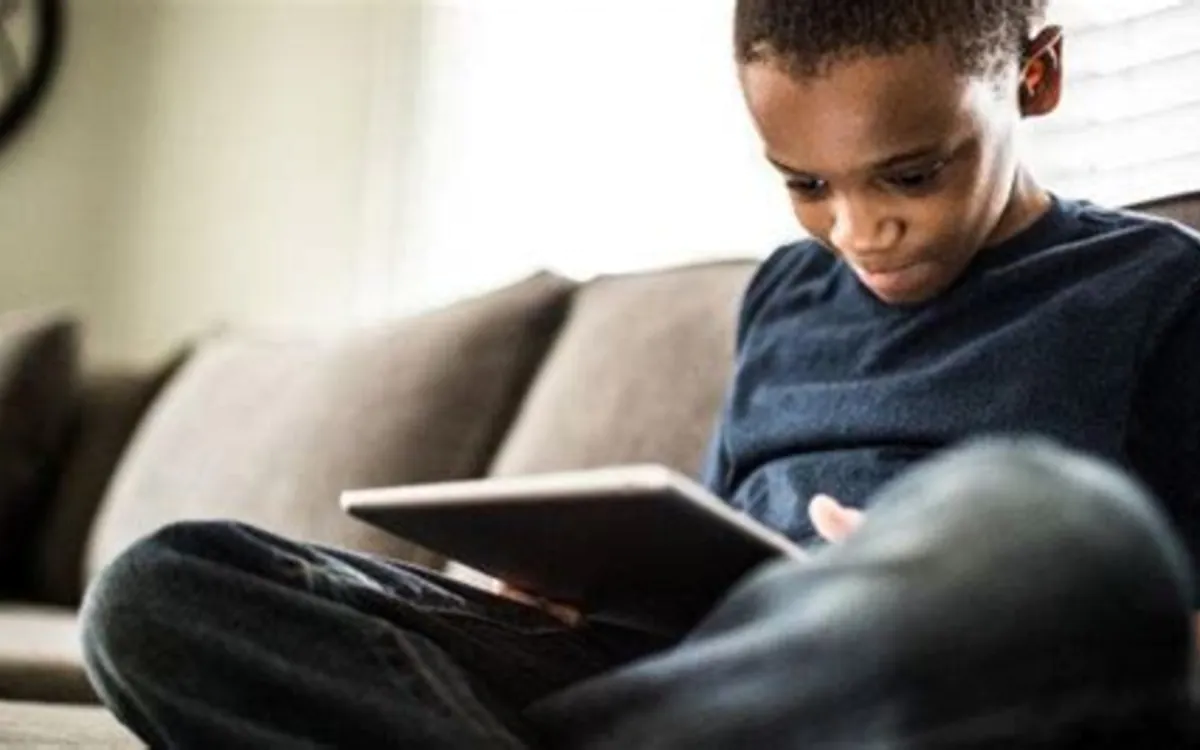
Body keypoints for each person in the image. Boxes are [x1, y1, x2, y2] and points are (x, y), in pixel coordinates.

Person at [80, 0, 1200, 747]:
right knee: (169, 587)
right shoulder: (781, 297)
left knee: (1052, 530)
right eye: (805, 184)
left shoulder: (1154, 285)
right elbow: (716, 552)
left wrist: (924, 580)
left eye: (911, 173)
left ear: (1037, 76)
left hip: (920, 670)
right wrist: (590, 582)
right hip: (692, 670)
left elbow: (1154, 622)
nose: (860, 229)